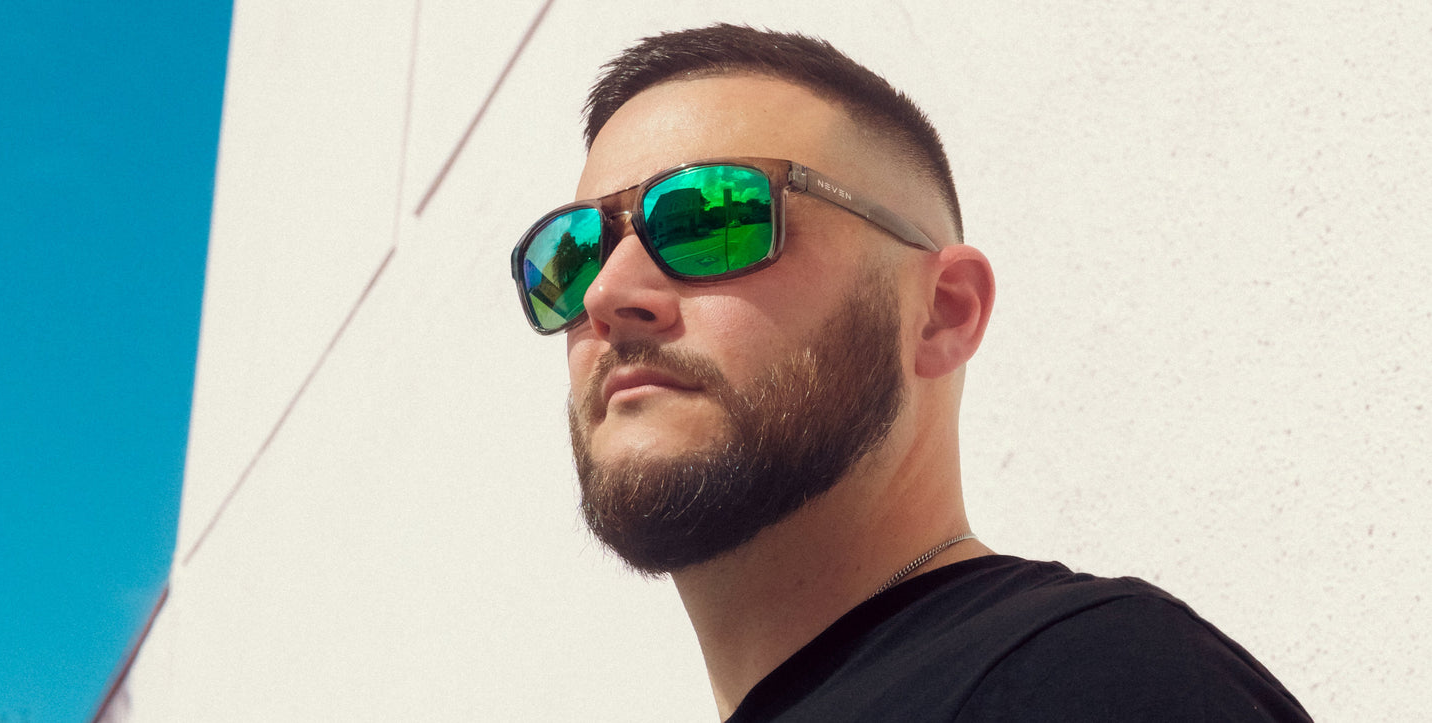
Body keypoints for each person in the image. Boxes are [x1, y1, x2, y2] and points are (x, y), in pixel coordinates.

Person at [509, 23, 1311, 722]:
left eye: (711, 215)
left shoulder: (1091, 680)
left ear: (942, 312)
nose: (609, 295)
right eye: (571, 255)